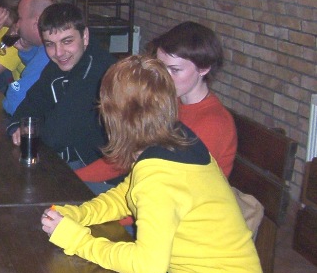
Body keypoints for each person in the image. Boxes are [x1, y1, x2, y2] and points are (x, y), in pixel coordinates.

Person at [41, 55, 271, 273]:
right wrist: (81, 214)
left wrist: (77, 240)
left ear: (113, 116)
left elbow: (148, 266)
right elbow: (129, 193)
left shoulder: (159, 175)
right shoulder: (176, 138)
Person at [76, 21, 236, 193]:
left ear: (204, 68)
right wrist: (74, 177)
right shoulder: (169, 103)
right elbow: (128, 156)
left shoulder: (214, 123)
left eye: (175, 70)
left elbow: (173, 191)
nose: (163, 77)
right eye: (160, 67)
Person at [7, 3, 115, 169]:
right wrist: (18, 127)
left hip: (100, 169)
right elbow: (29, 106)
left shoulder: (99, 71)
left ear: (85, 36)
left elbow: (55, 137)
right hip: (65, 160)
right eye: (50, 44)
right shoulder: (57, 67)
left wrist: (30, 129)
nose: (58, 52)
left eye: (67, 41)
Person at [1, 0, 54, 115]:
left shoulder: (49, 52)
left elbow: (17, 102)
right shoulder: (44, 47)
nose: (17, 24)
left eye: (20, 18)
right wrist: (28, 52)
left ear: (37, 23)